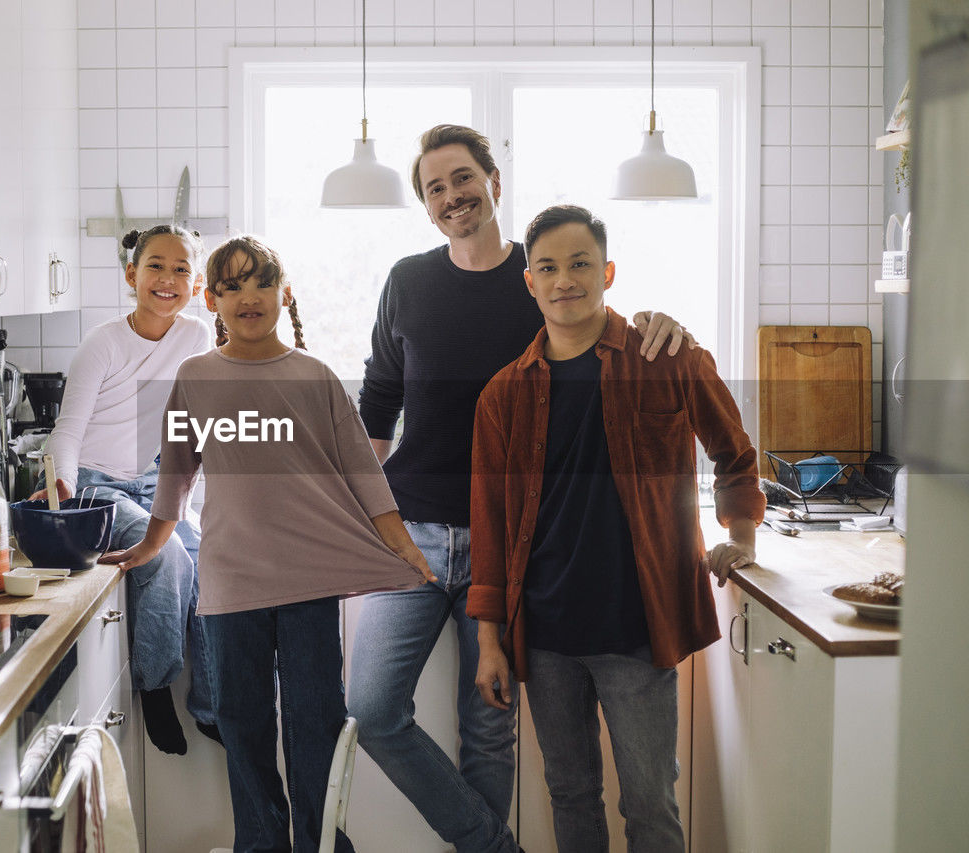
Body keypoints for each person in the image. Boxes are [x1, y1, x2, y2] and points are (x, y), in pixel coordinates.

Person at [348, 124, 695, 852]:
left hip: (514, 541)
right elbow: (378, 403)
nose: (452, 195)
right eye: (436, 187)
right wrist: (354, 508)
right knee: (372, 707)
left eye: (463, 178)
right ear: (426, 205)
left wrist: (664, 323)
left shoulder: (540, 278)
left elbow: (604, 335)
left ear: (494, 182)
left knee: (489, 724)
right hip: (411, 534)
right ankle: (493, 845)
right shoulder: (407, 281)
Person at [104, 235, 436, 852]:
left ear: (283, 293)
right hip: (230, 585)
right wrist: (153, 542)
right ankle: (262, 844)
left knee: (315, 727)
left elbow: (364, 472)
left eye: (259, 283)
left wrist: (403, 545)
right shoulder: (196, 376)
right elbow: (177, 471)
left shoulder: (315, 378)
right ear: (211, 301)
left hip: (310, 585)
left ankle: (319, 845)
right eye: (229, 286)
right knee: (242, 725)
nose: (246, 297)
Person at [469, 204, 765, 852]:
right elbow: (489, 527)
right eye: (547, 267)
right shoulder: (503, 395)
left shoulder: (667, 356)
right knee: (571, 794)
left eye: (579, 264)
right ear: (530, 283)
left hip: (637, 625)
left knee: (650, 799)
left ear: (606, 271)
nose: (564, 279)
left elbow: (734, 451)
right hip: (545, 636)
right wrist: (490, 641)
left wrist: (739, 534)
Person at [34, 224, 215, 755]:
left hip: (154, 480)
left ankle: (210, 704)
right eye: (155, 266)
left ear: (197, 283)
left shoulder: (196, 335)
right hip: (97, 485)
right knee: (169, 556)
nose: (168, 279)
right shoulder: (104, 343)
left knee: (214, 558)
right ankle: (155, 686)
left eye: (182, 269)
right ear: (132, 274)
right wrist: (62, 488)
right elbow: (69, 427)